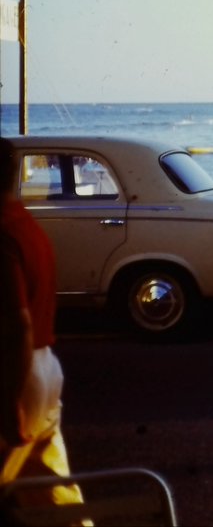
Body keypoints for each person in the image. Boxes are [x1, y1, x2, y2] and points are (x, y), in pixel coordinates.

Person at [0, 138, 83, 507]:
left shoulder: (2, 234)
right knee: (53, 490)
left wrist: (8, 401)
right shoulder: (26, 227)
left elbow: (18, 325)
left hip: (16, 373)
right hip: (46, 368)